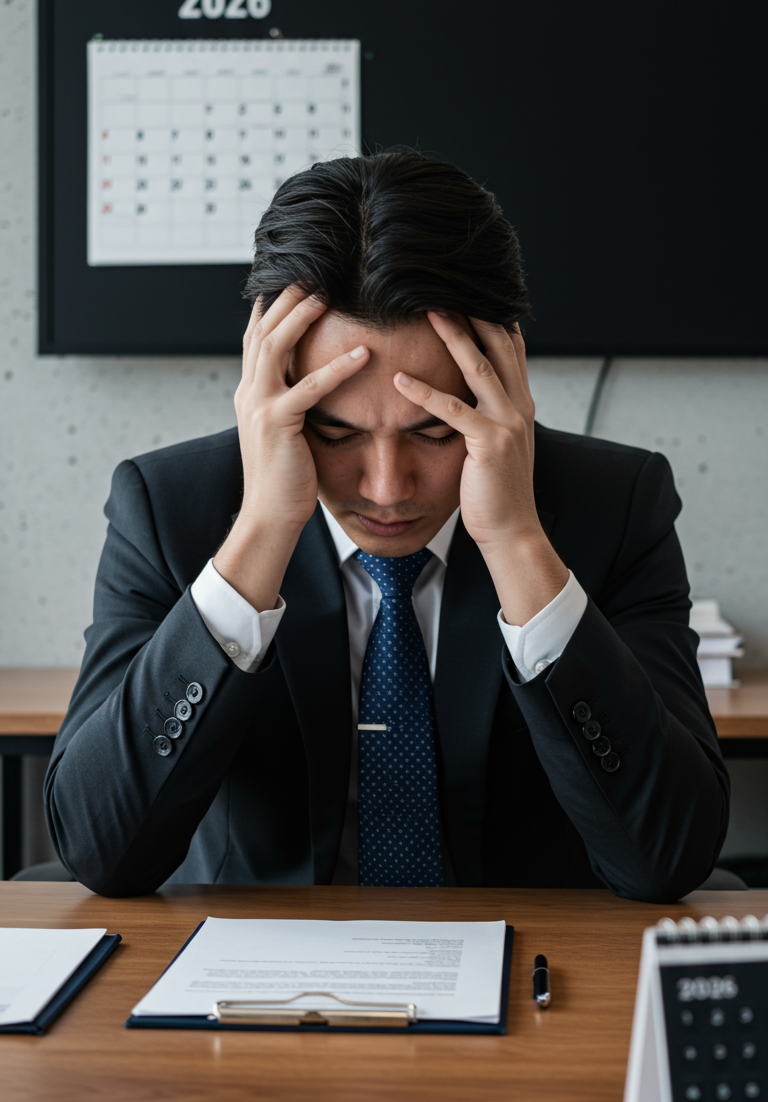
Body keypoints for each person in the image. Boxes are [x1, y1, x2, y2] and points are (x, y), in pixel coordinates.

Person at [44, 149, 728, 898]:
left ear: (502, 379)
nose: (387, 487)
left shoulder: (615, 505)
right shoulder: (171, 508)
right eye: (336, 434)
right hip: (253, 988)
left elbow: (668, 860)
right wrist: (263, 530)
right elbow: (100, 851)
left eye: (434, 432)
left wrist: (518, 544)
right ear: (269, 387)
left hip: (533, 979)